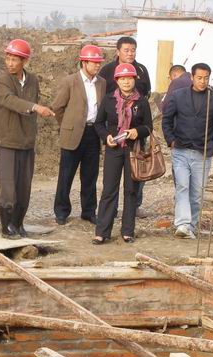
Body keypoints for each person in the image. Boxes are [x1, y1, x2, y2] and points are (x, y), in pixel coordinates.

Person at [0, 39, 55, 239]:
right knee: (8, 187)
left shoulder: (33, 80)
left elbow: (31, 100)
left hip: (27, 141)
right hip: (8, 141)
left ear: (24, 61)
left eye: (14, 60)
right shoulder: (3, 80)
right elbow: (9, 100)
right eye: (8, 59)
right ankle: (6, 226)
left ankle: (18, 223)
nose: (10, 63)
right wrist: (35, 107)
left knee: (23, 187)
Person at [92, 63, 153, 245]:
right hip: (114, 150)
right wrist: (106, 137)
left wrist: (137, 131)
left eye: (130, 78)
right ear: (117, 80)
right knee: (109, 190)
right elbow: (98, 123)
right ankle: (102, 232)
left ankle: (128, 230)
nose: (126, 82)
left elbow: (148, 126)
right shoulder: (109, 99)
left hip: (134, 151)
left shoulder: (141, 101)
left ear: (134, 80)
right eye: (123, 78)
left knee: (131, 190)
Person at [162, 62, 213, 239]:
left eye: (206, 78)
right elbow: (166, 120)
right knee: (182, 186)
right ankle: (182, 224)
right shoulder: (178, 96)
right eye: (199, 78)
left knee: (196, 193)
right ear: (192, 77)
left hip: (202, 153)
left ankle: (191, 226)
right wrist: (171, 140)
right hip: (180, 150)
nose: (202, 81)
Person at [51, 44, 106, 226]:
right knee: (66, 175)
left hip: (93, 133)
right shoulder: (70, 81)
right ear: (84, 62)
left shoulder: (102, 83)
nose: (97, 65)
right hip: (73, 134)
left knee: (90, 175)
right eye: (94, 62)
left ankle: (89, 211)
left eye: (99, 62)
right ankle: (61, 211)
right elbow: (58, 107)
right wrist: (67, 125)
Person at [98, 36, 151, 218]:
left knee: (136, 173)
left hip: (136, 128)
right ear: (118, 51)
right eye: (126, 50)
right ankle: (110, 212)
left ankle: (134, 207)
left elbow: (147, 94)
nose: (130, 53)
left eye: (133, 50)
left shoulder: (141, 70)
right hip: (113, 125)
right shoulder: (107, 70)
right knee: (111, 180)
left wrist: (138, 125)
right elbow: (102, 99)